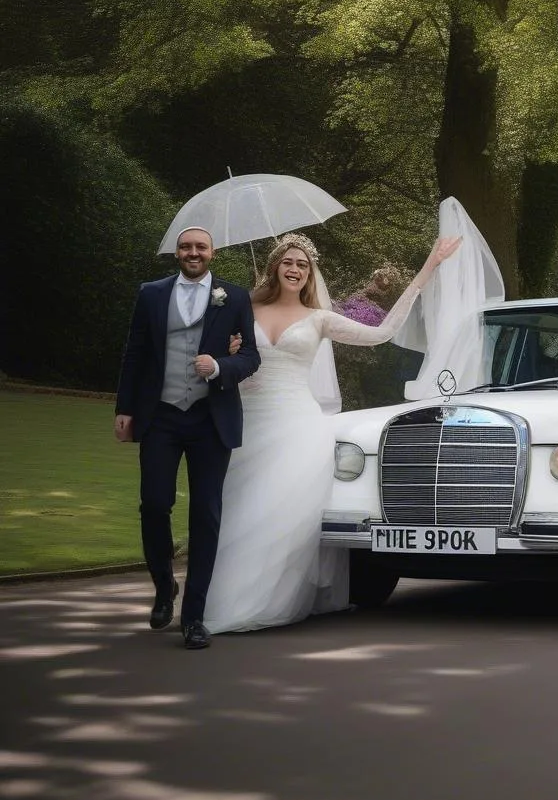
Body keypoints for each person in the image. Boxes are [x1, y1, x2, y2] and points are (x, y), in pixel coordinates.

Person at [202, 230, 461, 634]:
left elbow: (382, 333)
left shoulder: (319, 319)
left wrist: (428, 268)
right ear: (274, 267)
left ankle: (257, 602)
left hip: (296, 426)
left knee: (272, 511)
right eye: (288, 262)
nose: (295, 269)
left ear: (310, 274)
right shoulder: (241, 306)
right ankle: (214, 598)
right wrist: (228, 351)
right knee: (233, 511)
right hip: (244, 420)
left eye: (303, 265)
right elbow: (215, 355)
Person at [114, 227, 261, 650]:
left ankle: (194, 616)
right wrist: (124, 409)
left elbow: (250, 355)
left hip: (210, 419)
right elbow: (135, 353)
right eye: (186, 246)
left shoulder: (233, 297)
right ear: (176, 253)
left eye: (200, 246)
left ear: (212, 253)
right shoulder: (151, 293)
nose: (193, 252)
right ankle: (164, 585)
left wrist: (218, 367)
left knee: (206, 514)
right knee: (155, 503)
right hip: (160, 415)